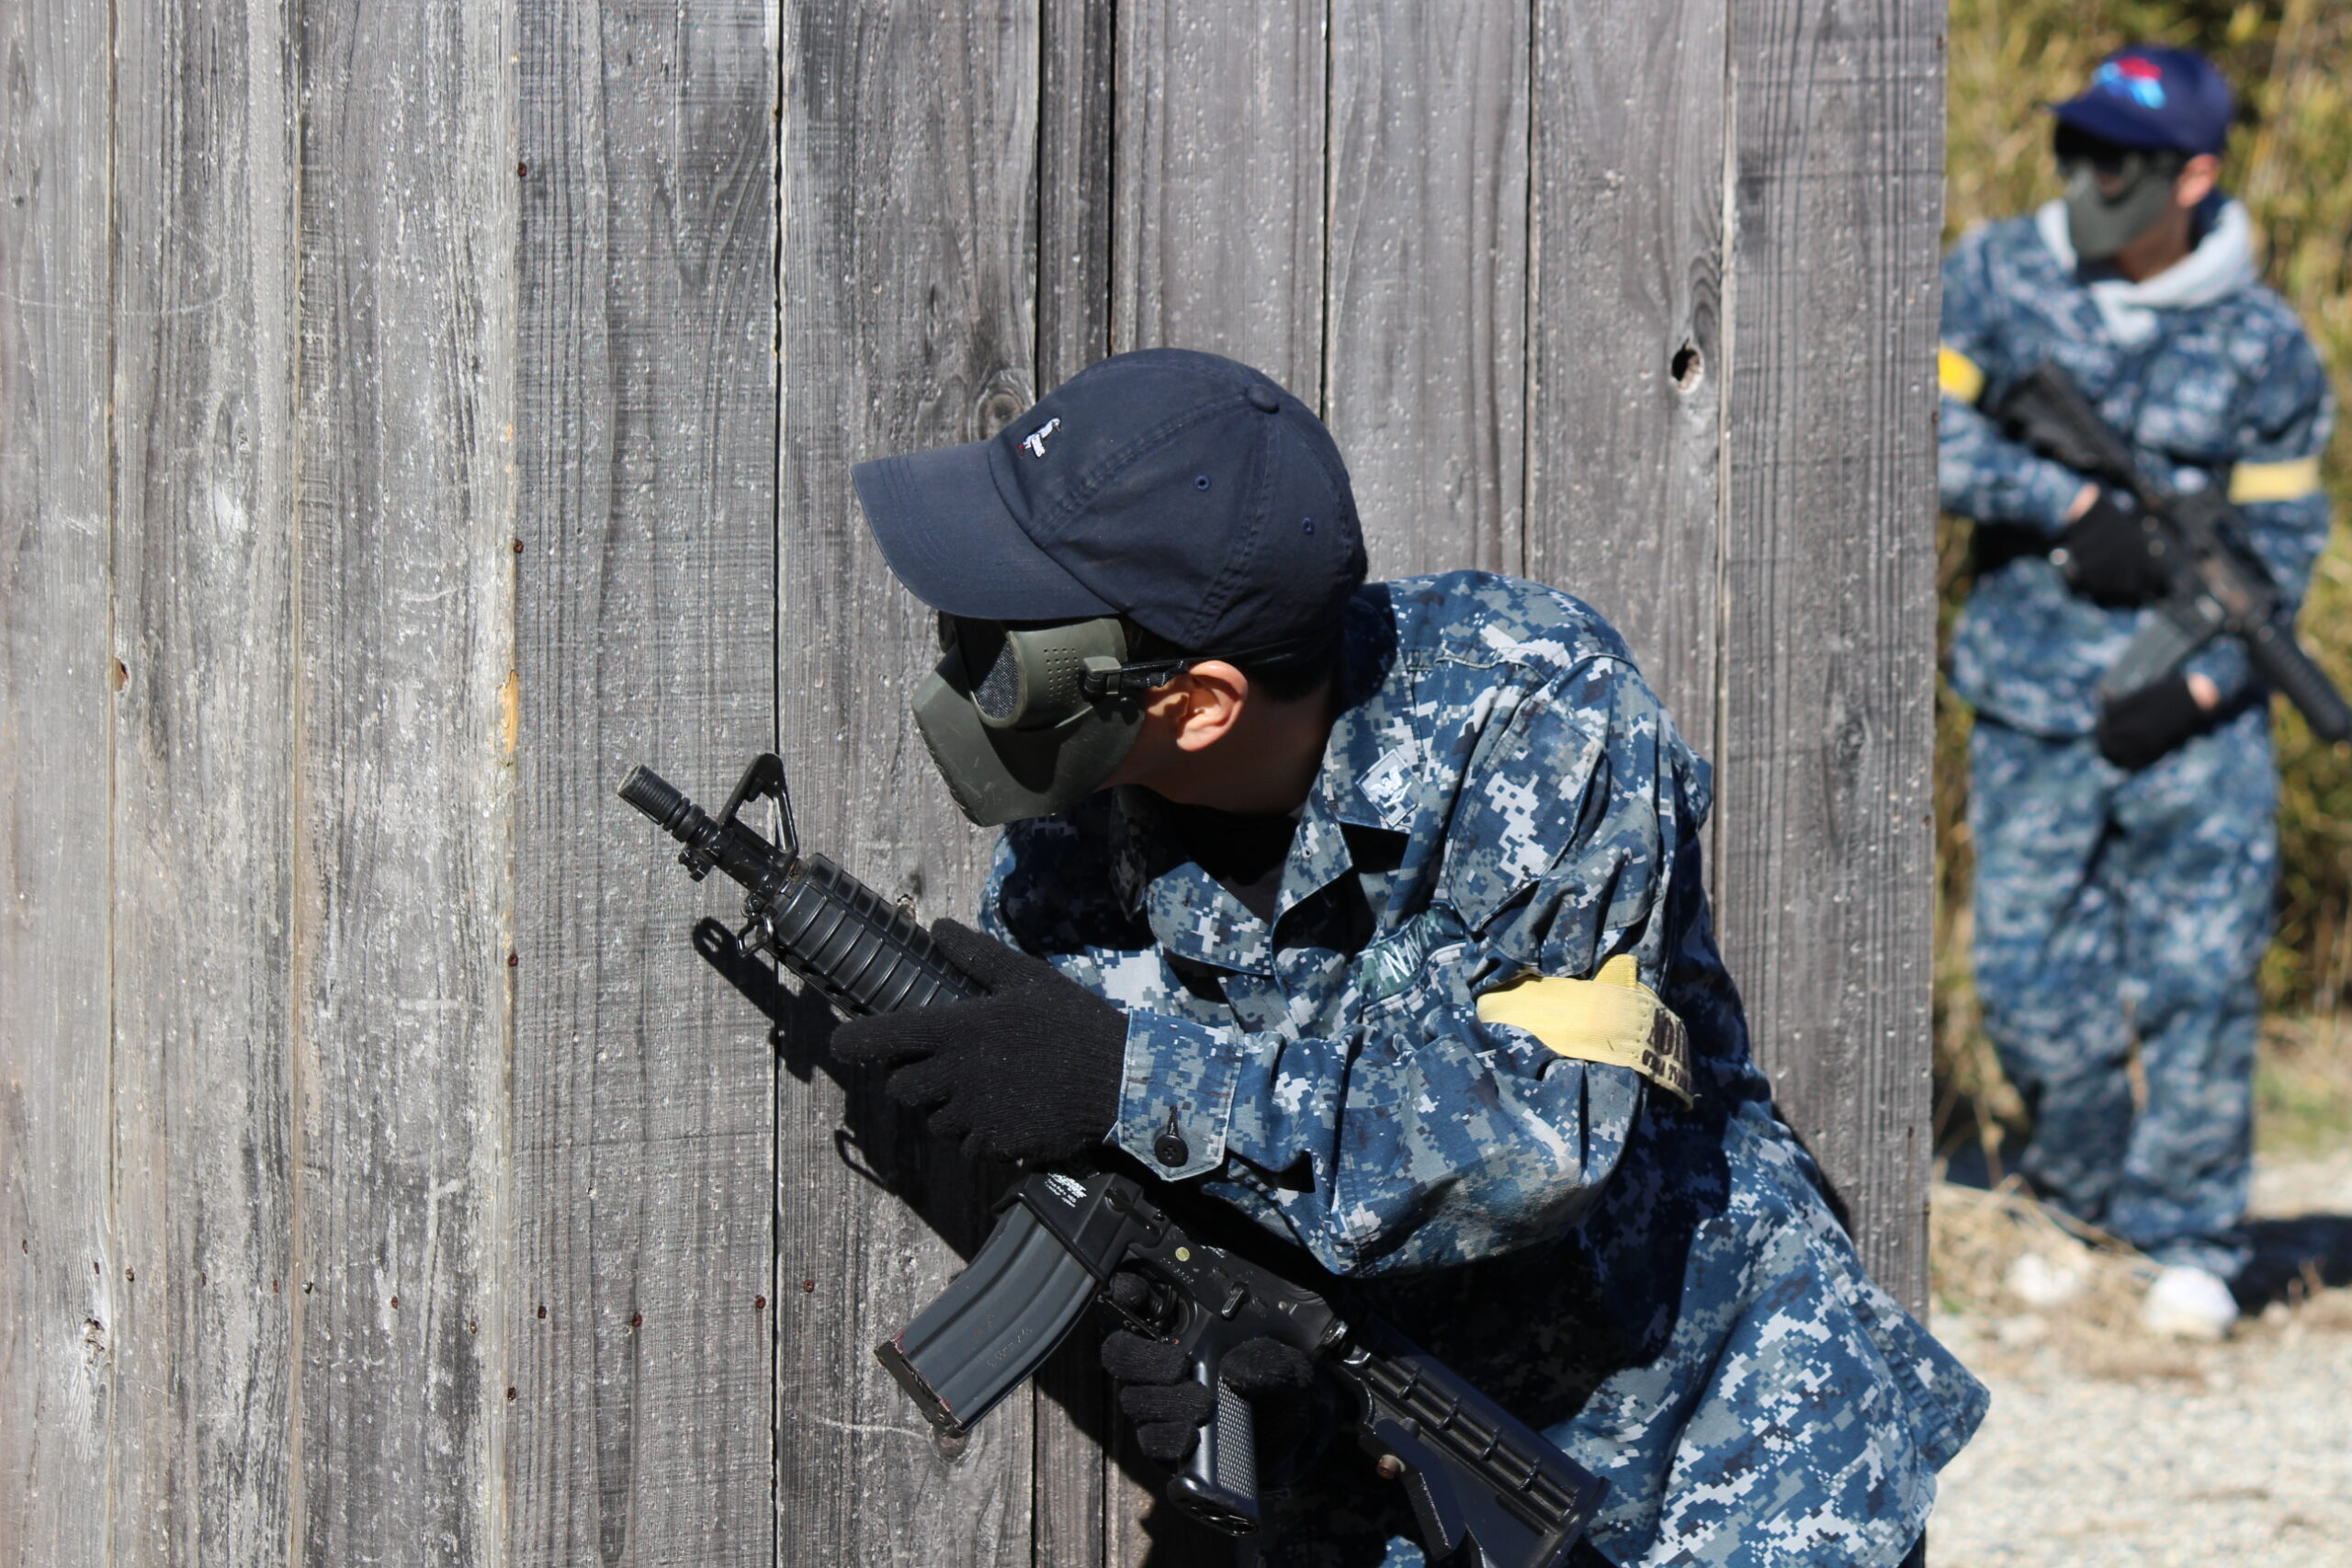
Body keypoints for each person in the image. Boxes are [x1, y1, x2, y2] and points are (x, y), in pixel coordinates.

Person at [831, 347, 1985, 1565]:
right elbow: (1182, 1208)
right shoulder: (1062, 871)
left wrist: (1133, 1082)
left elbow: (1540, 1137)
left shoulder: (1537, 713)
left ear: (1200, 702)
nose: (961, 663)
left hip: (1735, 1467)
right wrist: (1248, 1349)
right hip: (1397, 1504)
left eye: (1004, 646)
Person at [1938, 46, 2335, 1339]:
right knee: (2027, 984)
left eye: (2117, 161)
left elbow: (2282, 553)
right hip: (2032, 702)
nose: (2086, 178)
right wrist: (2062, 503)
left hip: (2193, 729)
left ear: (2193, 177)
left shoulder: (2266, 346)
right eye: (2076, 148)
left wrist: (2205, 688)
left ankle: (2192, 1240)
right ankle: (2080, 1204)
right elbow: (1916, 422)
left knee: (2199, 984)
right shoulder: (1997, 275)